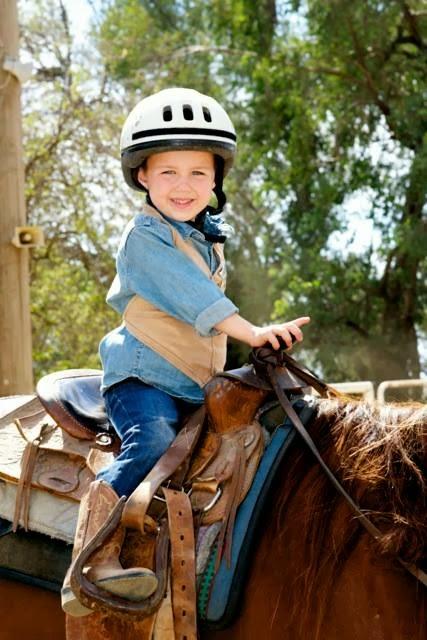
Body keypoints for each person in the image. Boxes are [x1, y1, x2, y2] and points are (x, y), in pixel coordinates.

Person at [62, 87, 310, 617]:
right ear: (142, 177)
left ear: (216, 180)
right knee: (150, 440)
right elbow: (196, 298)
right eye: (168, 172)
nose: (184, 185)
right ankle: (90, 555)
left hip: (191, 384)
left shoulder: (204, 237)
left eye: (199, 173)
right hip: (143, 381)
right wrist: (253, 330)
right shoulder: (144, 238)